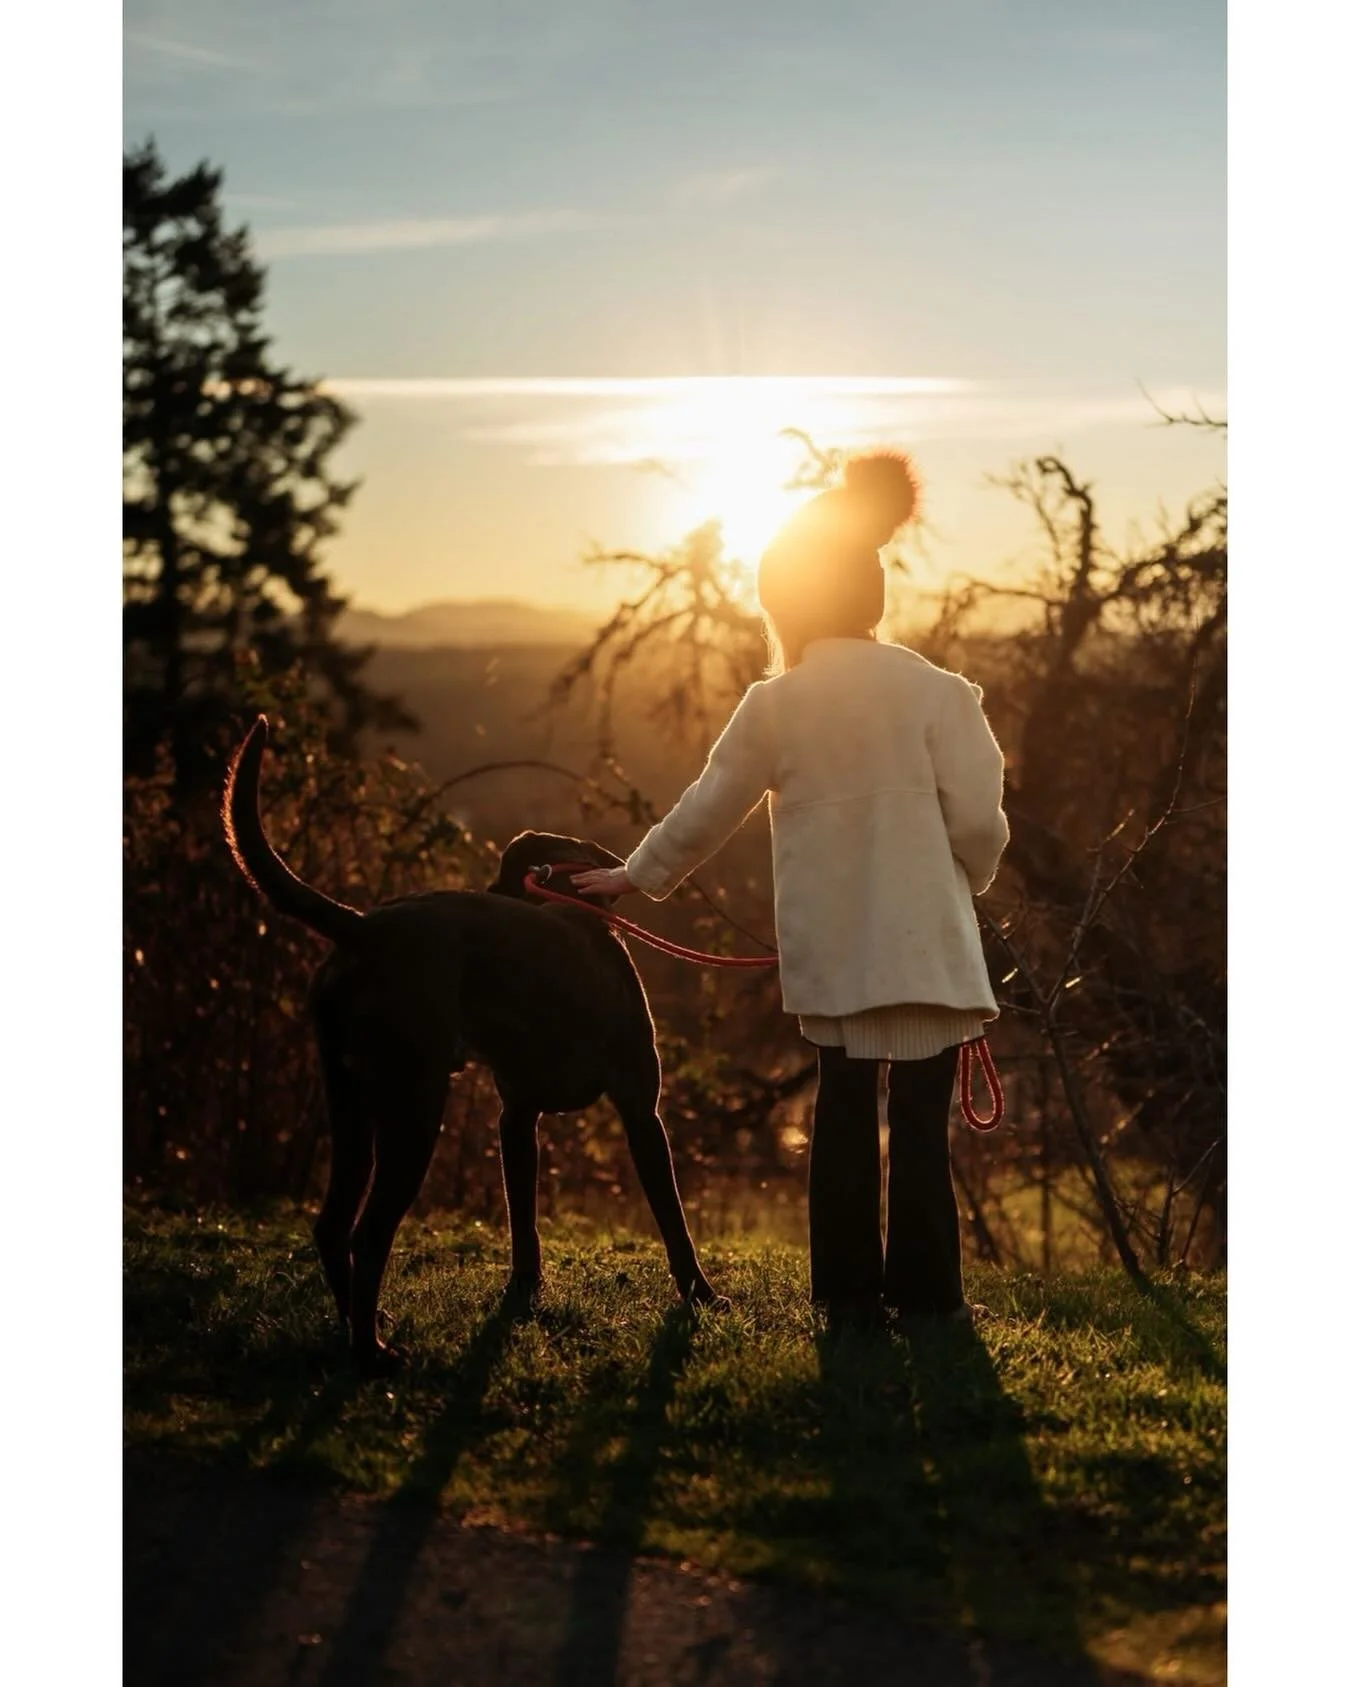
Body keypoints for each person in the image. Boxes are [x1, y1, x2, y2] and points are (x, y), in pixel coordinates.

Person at [571, 451, 1009, 1327]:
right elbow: (982, 823)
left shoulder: (776, 703)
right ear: (872, 594)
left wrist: (636, 874)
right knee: (921, 1132)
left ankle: (847, 1301)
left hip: (839, 958)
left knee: (844, 1116)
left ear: (788, 603)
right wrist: (962, 882)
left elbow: (707, 807)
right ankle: (929, 1303)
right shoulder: (940, 693)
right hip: (932, 950)